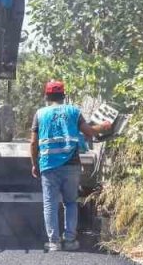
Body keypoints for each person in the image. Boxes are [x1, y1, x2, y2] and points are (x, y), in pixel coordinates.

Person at [29, 80, 110, 252]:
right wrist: (103, 126)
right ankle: (70, 240)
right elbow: (89, 132)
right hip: (71, 165)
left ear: (46, 96)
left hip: (48, 165)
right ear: (63, 96)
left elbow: (33, 142)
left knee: (50, 203)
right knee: (70, 202)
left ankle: (54, 242)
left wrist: (34, 164)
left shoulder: (40, 114)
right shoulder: (73, 111)